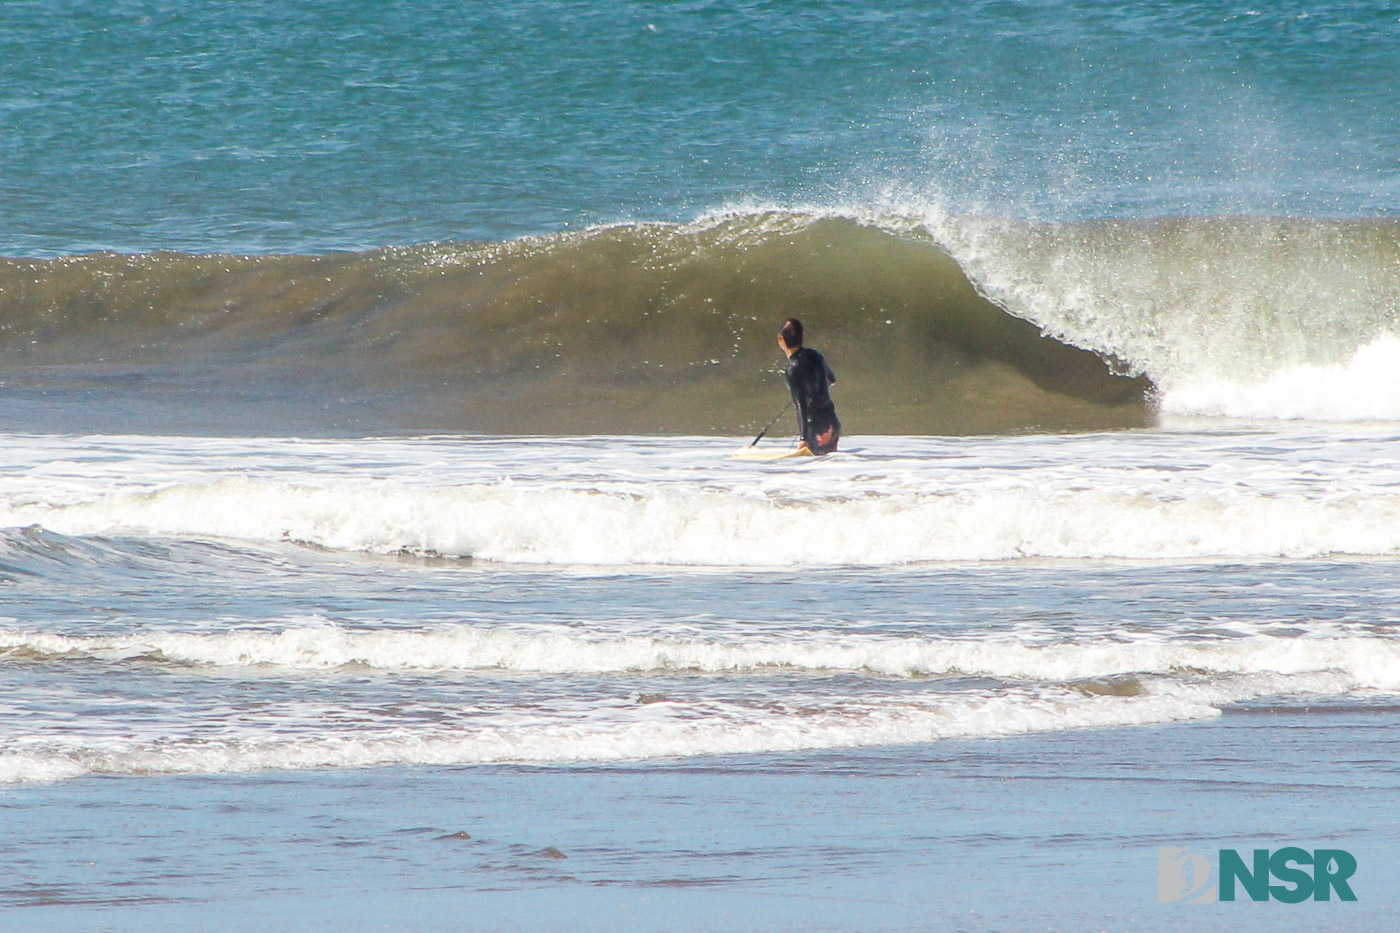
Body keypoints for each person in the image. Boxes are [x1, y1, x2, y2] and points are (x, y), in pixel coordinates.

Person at [778, 318, 840, 455]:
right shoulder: (815, 354)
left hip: (817, 429)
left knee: (814, 469)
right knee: (830, 466)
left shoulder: (792, 369)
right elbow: (831, 379)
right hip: (832, 423)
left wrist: (803, 439)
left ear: (780, 338)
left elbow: (801, 407)